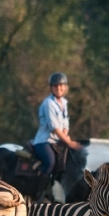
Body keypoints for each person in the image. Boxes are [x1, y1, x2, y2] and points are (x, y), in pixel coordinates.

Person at [32, 72, 82, 200]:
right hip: (45, 141)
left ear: (65, 87)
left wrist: (65, 137)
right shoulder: (48, 103)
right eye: (55, 86)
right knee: (50, 162)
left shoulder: (64, 103)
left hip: (58, 140)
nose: (58, 89)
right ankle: (39, 192)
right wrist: (68, 142)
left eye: (61, 86)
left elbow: (65, 123)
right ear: (51, 88)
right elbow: (54, 127)